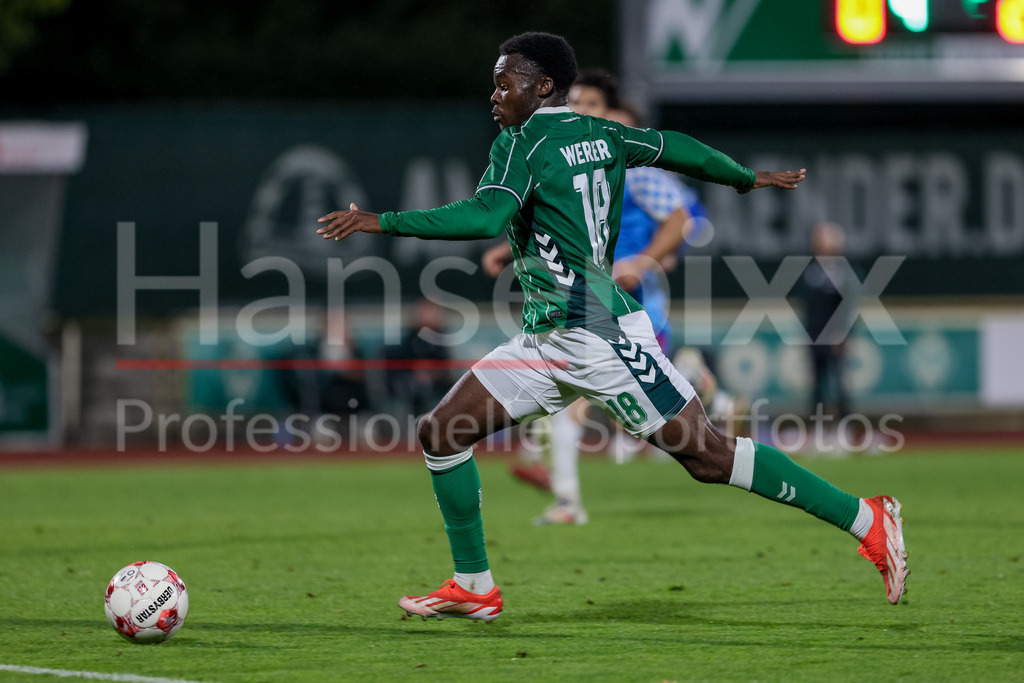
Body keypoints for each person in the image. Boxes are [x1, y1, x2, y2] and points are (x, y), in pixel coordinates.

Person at [317, 32, 907, 621]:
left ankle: (867, 517)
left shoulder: (522, 142)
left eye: (506, 81)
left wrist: (380, 221)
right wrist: (741, 177)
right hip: (547, 336)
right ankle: (474, 585)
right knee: (442, 432)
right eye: (494, 81)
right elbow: (672, 146)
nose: (494, 93)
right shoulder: (601, 132)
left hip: (601, 333)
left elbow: (486, 215)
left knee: (708, 457)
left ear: (543, 86)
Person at [801, 222, 853, 428]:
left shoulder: (843, 273)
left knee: (839, 384)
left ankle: (846, 427)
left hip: (834, 337)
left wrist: (842, 333)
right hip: (815, 337)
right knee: (817, 387)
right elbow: (808, 308)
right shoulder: (811, 272)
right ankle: (818, 428)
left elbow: (848, 307)